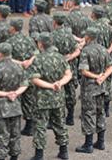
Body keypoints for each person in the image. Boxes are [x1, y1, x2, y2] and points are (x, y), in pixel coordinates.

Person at [28, 32, 71, 160]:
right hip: (58, 97)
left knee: (40, 125)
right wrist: (59, 83)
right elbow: (68, 74)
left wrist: (49, 85)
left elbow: (34, 79)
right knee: (60, 123)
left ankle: (39, 154)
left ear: (40, 44)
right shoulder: (60, 58)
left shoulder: (38, 59)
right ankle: (63, 151)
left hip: (42, 99)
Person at [75, 27, 112, 154]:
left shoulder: (86, 51)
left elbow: (84, 71)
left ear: (89, 37)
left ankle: (88, 144)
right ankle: (101, 142)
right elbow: (111, 66)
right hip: (102, 87)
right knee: (100, 112)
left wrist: (97, 76)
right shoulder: (103, 49)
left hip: (89, 88)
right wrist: (103, 77)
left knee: (88, 114)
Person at [0, 42, 27, 160]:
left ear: (0, 53)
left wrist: (6, 94)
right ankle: (14, 157)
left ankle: (1, 157)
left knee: (1, 135)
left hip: (0, 108)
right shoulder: (18, 67)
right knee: (15, 134)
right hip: (15, 105)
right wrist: (15, 93)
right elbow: (25, 84)